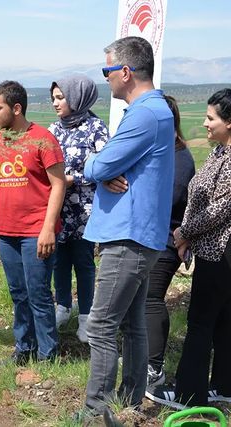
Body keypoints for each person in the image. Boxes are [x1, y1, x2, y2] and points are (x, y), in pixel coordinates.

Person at [79, 36, 175, 417]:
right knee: (133, 324)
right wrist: (105, 169)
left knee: (101, 325)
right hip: (140, 234)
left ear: (125, 71)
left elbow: (98, 167)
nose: (105, 79)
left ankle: (95, 413)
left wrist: (96, 167)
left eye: (107, 71)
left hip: (128, 235)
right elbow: (109, 168)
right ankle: (129, 402)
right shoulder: (156, 110)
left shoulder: (144, 114)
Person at [146, 88, 231, 410]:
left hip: (220, 251)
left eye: (211, 118)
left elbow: (220, 208)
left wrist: (183, 232)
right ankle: (223, 385)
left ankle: (188, 395)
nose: (205, 124)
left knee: (200, 325)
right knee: (224, 321)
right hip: (212, 246)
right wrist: (189, 235)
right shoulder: (220, 152)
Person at [0, 80, 66, 362]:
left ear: (16, 108)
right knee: (18, 293)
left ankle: (48, 353)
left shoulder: (42, 139)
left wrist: (47, 229)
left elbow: (58, 185)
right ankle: (24, 347)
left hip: (35, 232)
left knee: (39, 294)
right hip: (6, 232)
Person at [48, 75, 109, 343]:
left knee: (83, 262)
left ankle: (86, 316)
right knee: (58, 260)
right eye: (53, 98)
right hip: (57, 207)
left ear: (77, 97)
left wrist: (73, 179)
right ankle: (63, 306)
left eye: (61, 97)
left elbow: (105, 168)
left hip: (84, 209)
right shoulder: (53, 130)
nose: (55, 103)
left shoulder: (96, 128)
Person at [144, 95, 195, 387]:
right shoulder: (163, 152)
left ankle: (154, 368)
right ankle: (145, 357)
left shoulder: (179, 158)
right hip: (151, 239)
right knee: (141, 301)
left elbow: (169, 200)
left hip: (165, 242)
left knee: (151, 300)